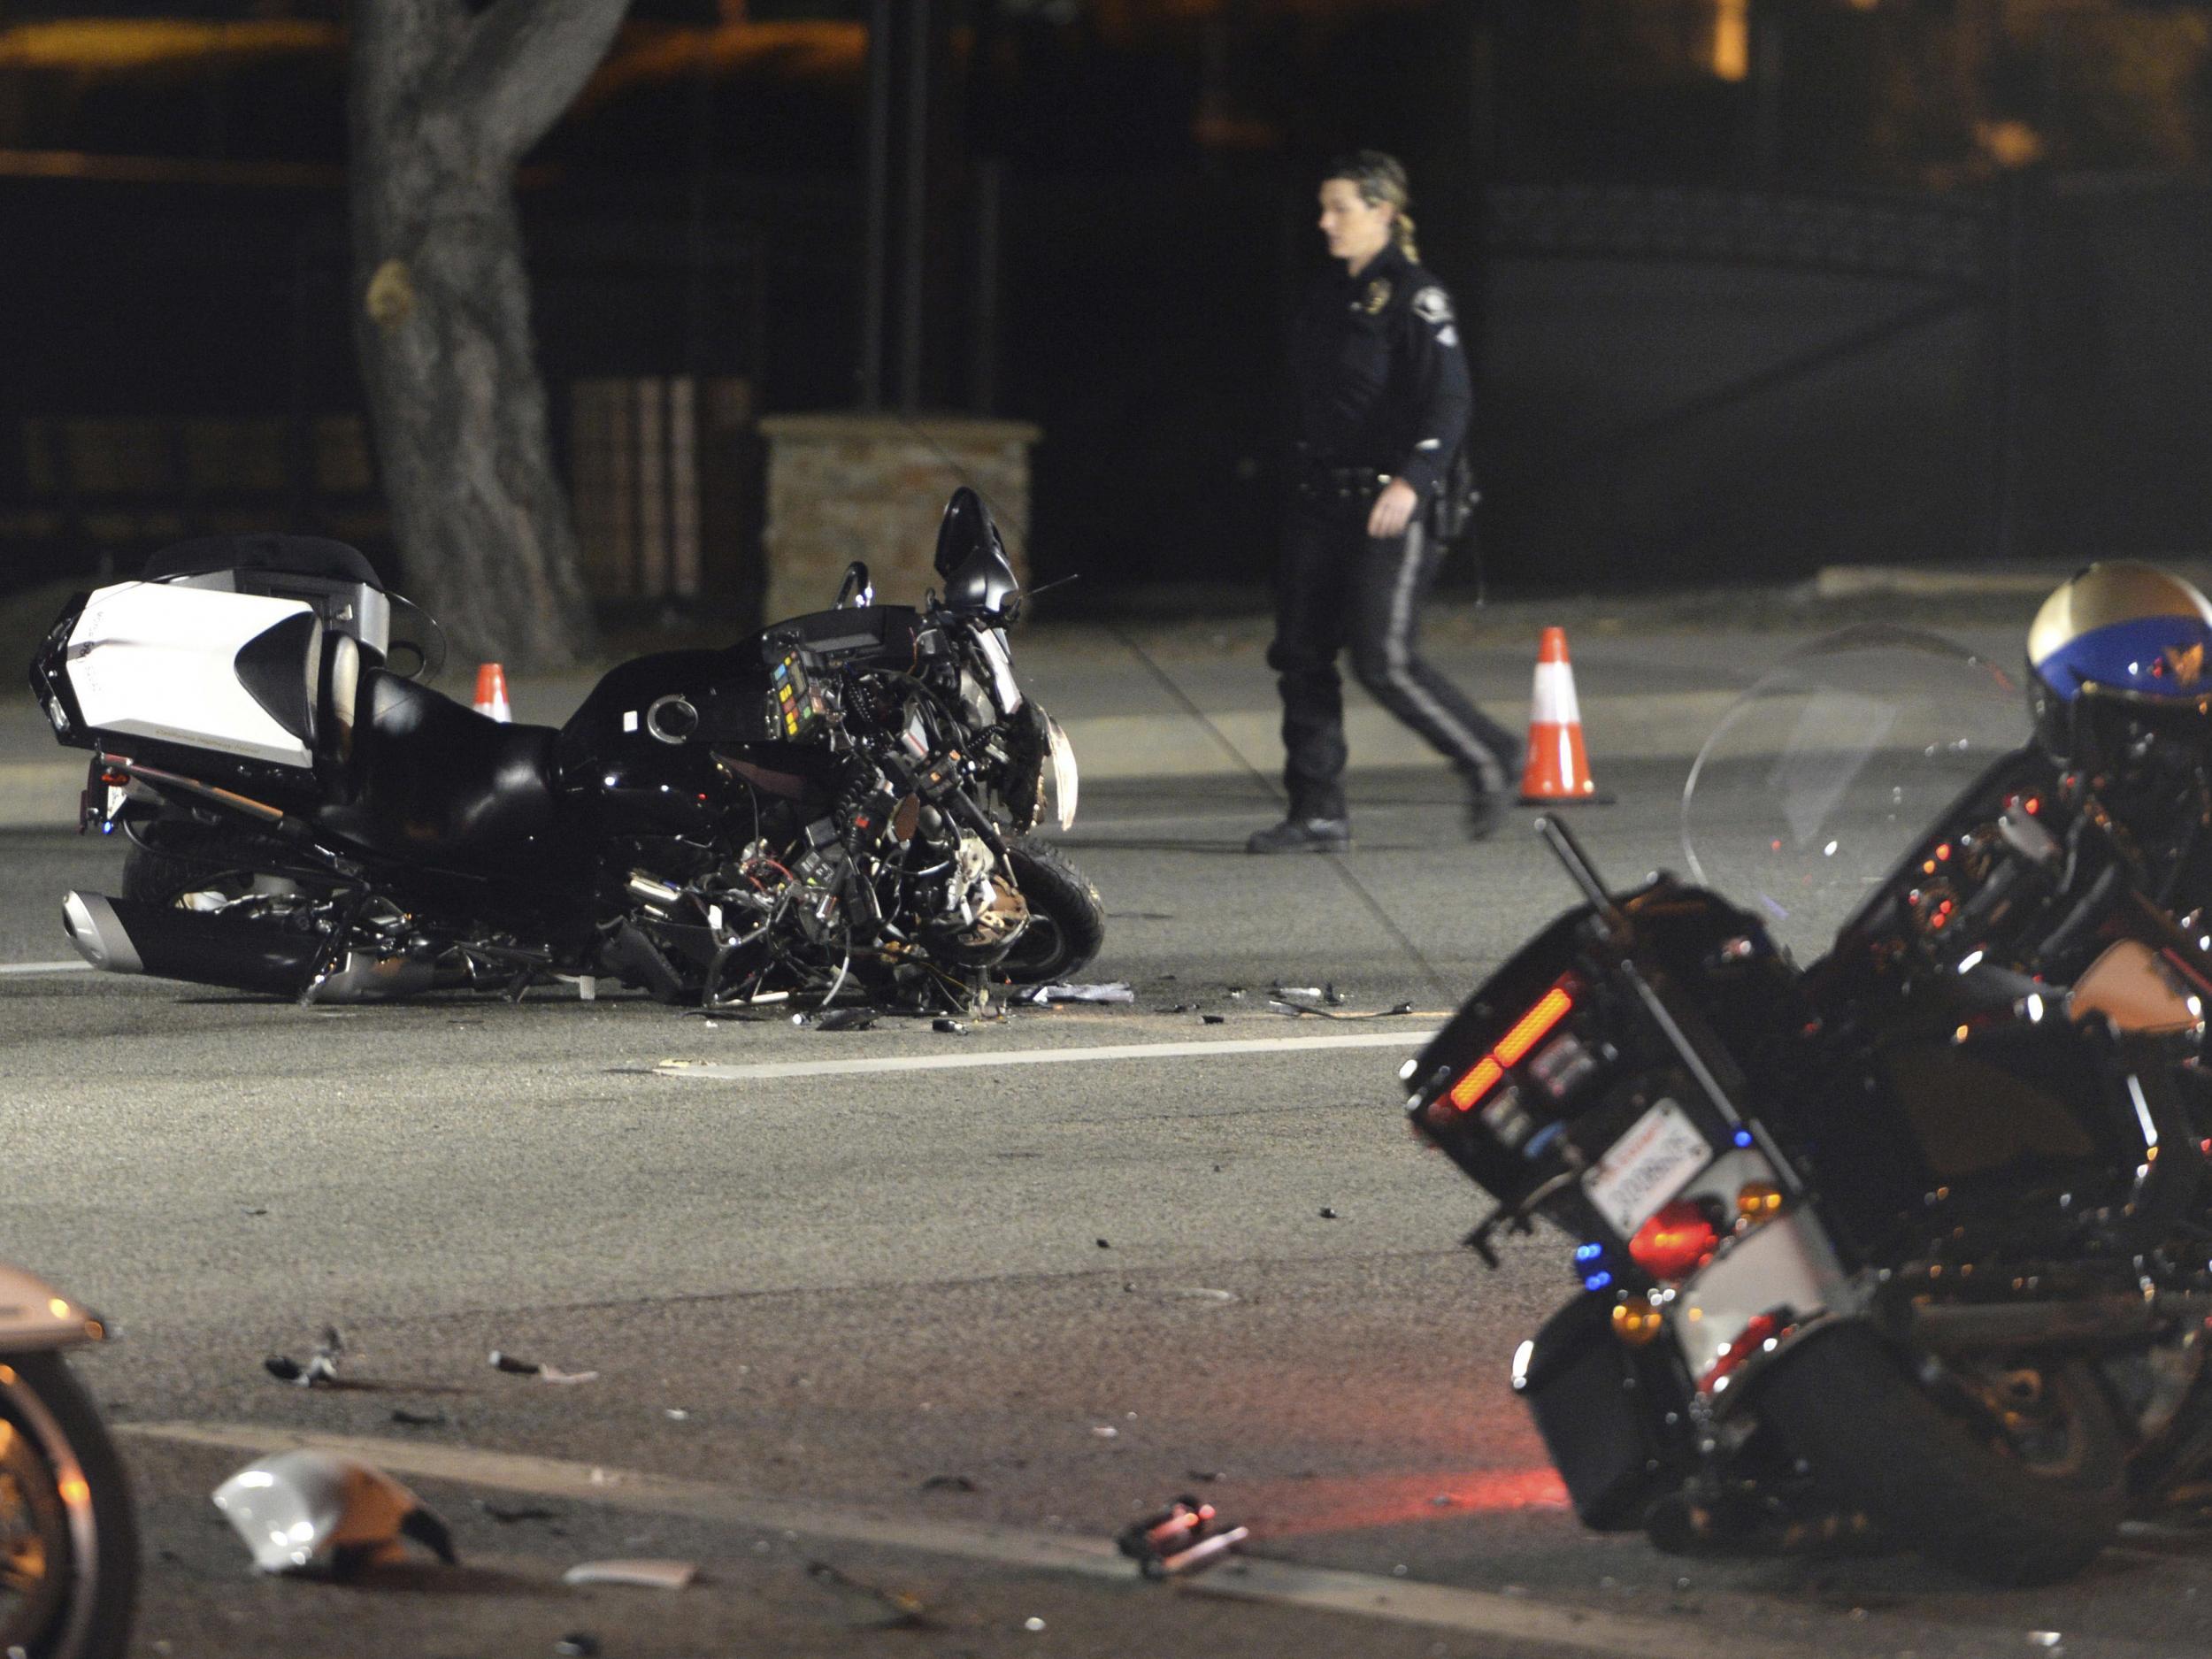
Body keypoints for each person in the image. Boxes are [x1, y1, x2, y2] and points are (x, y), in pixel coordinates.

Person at [1248, 150, 1519, 855]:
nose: (1324, 221)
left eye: (1340, 207)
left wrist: (1414, 479)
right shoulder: (1329, 295)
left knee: (1383, 659)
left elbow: (1451, 398)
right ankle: (1318, 811)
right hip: (1321, 498)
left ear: (1384, 213)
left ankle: (1490, 756)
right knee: (1301, 654)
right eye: (1323, 206)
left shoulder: (1416, 296)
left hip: (1392, 502)